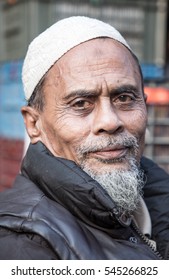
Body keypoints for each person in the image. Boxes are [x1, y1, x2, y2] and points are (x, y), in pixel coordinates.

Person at [0, 16, 169, 260]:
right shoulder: (24, 242)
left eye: (124, 98)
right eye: (81, 104)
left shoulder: (157, 197)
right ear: (34, 124)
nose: (110, 122)